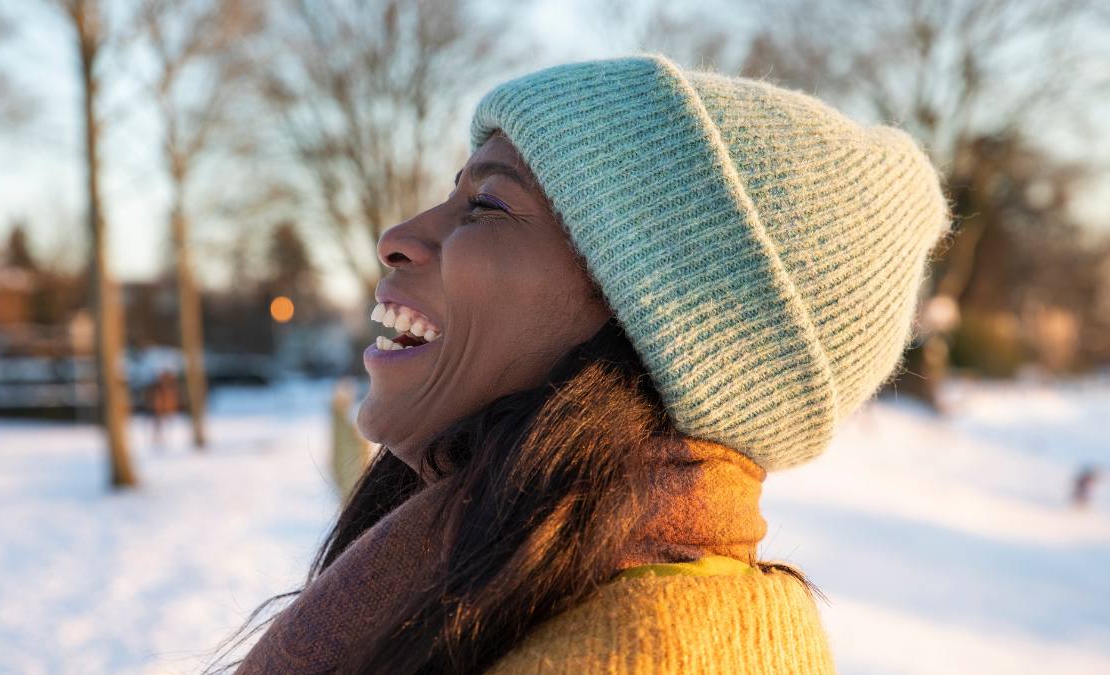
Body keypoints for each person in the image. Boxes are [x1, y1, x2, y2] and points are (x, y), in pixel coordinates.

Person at [227, 53, 950, 674]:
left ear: (658, 316)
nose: (397, 237)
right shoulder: (520, 583)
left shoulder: (642, 649)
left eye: (485, 204)